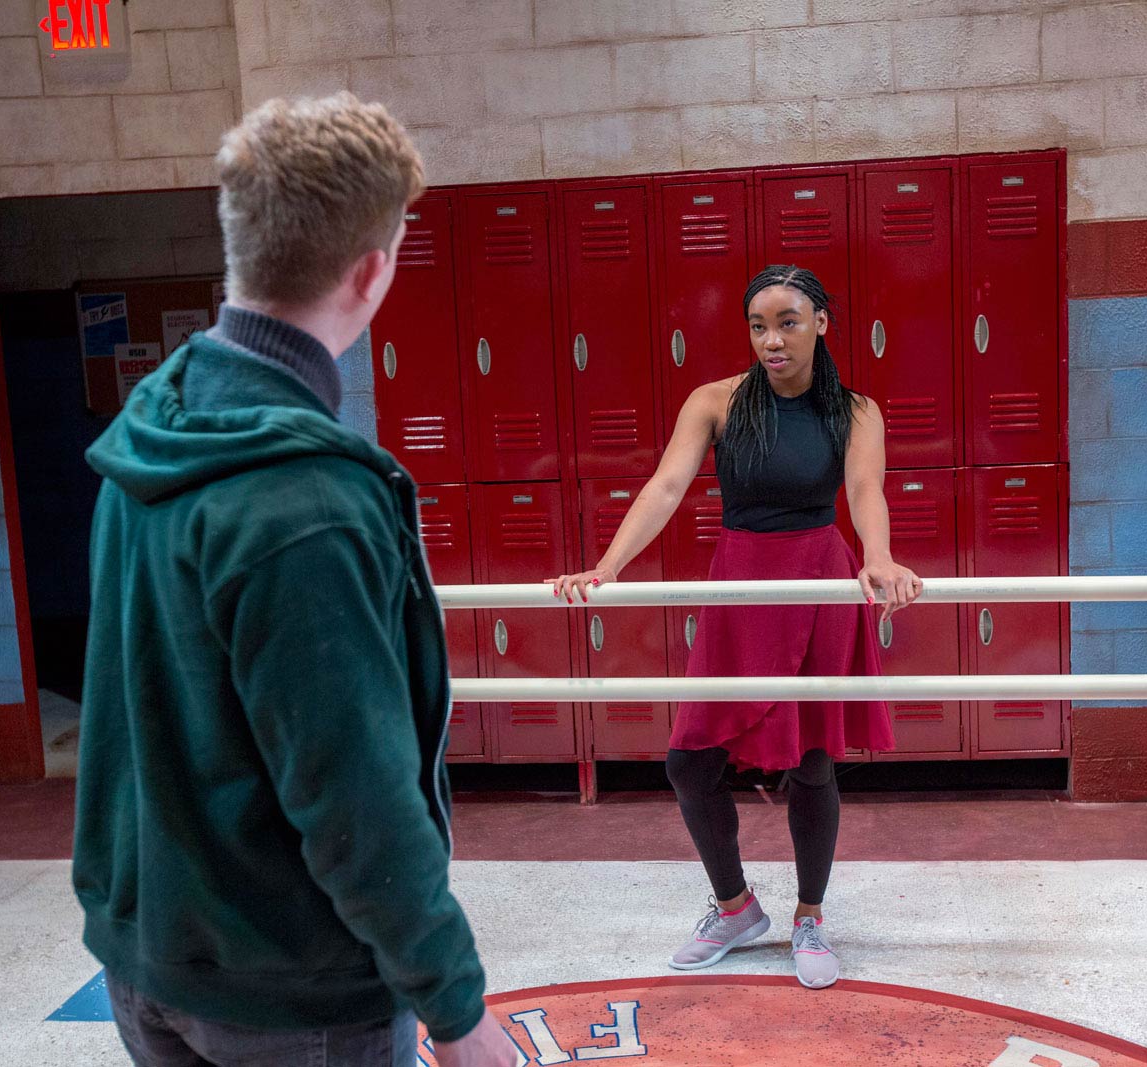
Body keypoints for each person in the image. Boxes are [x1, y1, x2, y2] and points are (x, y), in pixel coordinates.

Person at [74, 93, 517, 1067]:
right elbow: (355, 795)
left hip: (149, 961)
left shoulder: (145, 435)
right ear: (371, 270)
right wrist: (455, 1007)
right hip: (289, 996)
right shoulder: (310, 503)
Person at [552, 265, 922, 990]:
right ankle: (735, 908)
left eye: (787, 322)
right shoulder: (715, 401)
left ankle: (809, 916)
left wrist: (878, 557)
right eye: (758, 326)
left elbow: (864, 489)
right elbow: (665, 485)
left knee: (811, 760)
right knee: (690, 761)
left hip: (816, 581)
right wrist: (607, 566)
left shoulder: (856, 410)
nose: (771, 340)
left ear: (821, 323)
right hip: (740, 585)